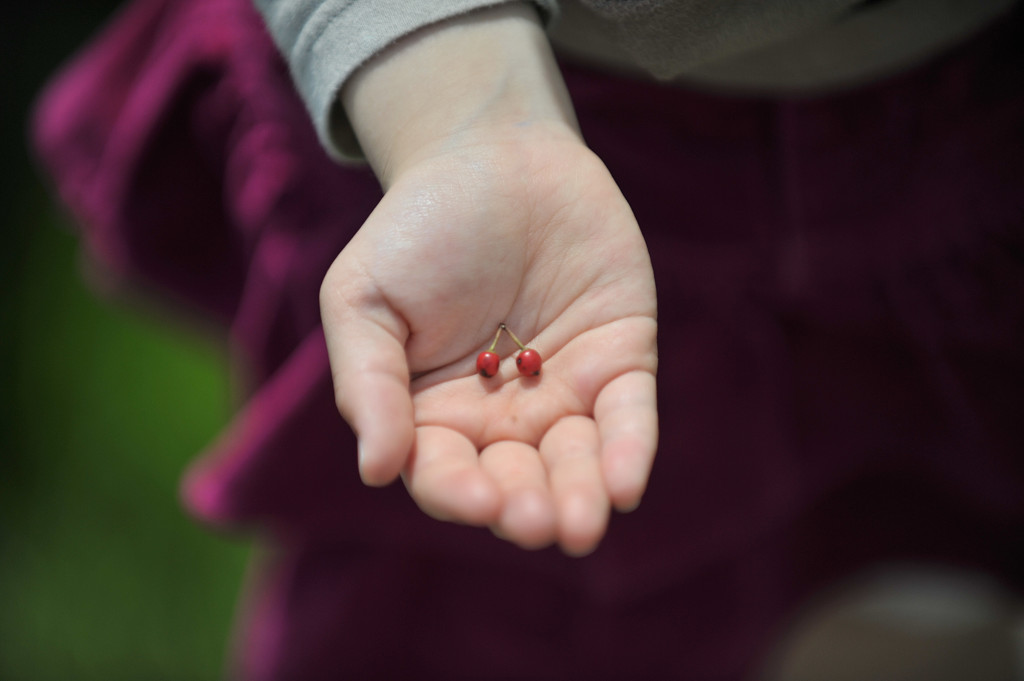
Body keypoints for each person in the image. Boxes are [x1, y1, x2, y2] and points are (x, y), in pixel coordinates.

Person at [32, 0, 1024, 678]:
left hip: (977, 129)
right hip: (461, 97)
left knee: (920, 577)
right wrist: (455, 108)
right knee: (480, 629)